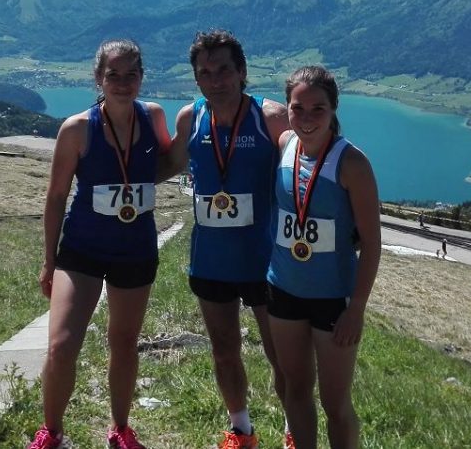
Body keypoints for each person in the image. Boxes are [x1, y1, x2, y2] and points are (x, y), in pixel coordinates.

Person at [28, 39, 172, 449]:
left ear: (142, 78)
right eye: (114, 75)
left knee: (124, 342)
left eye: (131, 74)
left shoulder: (154, 117)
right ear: (98, 78)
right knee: (61, 344)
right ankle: (51, 432)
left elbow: (162, 163)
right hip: (82, 250)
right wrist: (48, 261)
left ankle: (120, 428)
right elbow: (56, 196)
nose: (123, 83)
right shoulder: (76, 128)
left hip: (136, 250)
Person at [158, 30, 289, 448]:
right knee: (224, 352)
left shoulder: (271, 118)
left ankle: (293, 432)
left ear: (242, 72)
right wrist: (104, 166)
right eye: (205, 72)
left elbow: (306, 169)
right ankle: (241, 430)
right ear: (196, 79)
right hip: (212, 259)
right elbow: (168, 165)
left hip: (266, 260)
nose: (216, 80)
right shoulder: (189, 118)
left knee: (281, 355)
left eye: (224, 70)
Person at [267, 65, 382, 449]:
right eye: (298, 108)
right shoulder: (285, 144)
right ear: (287, 109)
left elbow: (372, 242)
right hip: (283, 290)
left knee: (335, 404)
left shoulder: (352, 164)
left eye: (318, 108)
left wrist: (357, 309)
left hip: (333, 300)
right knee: (295, 390)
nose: (307, 118)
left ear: (334, 109)